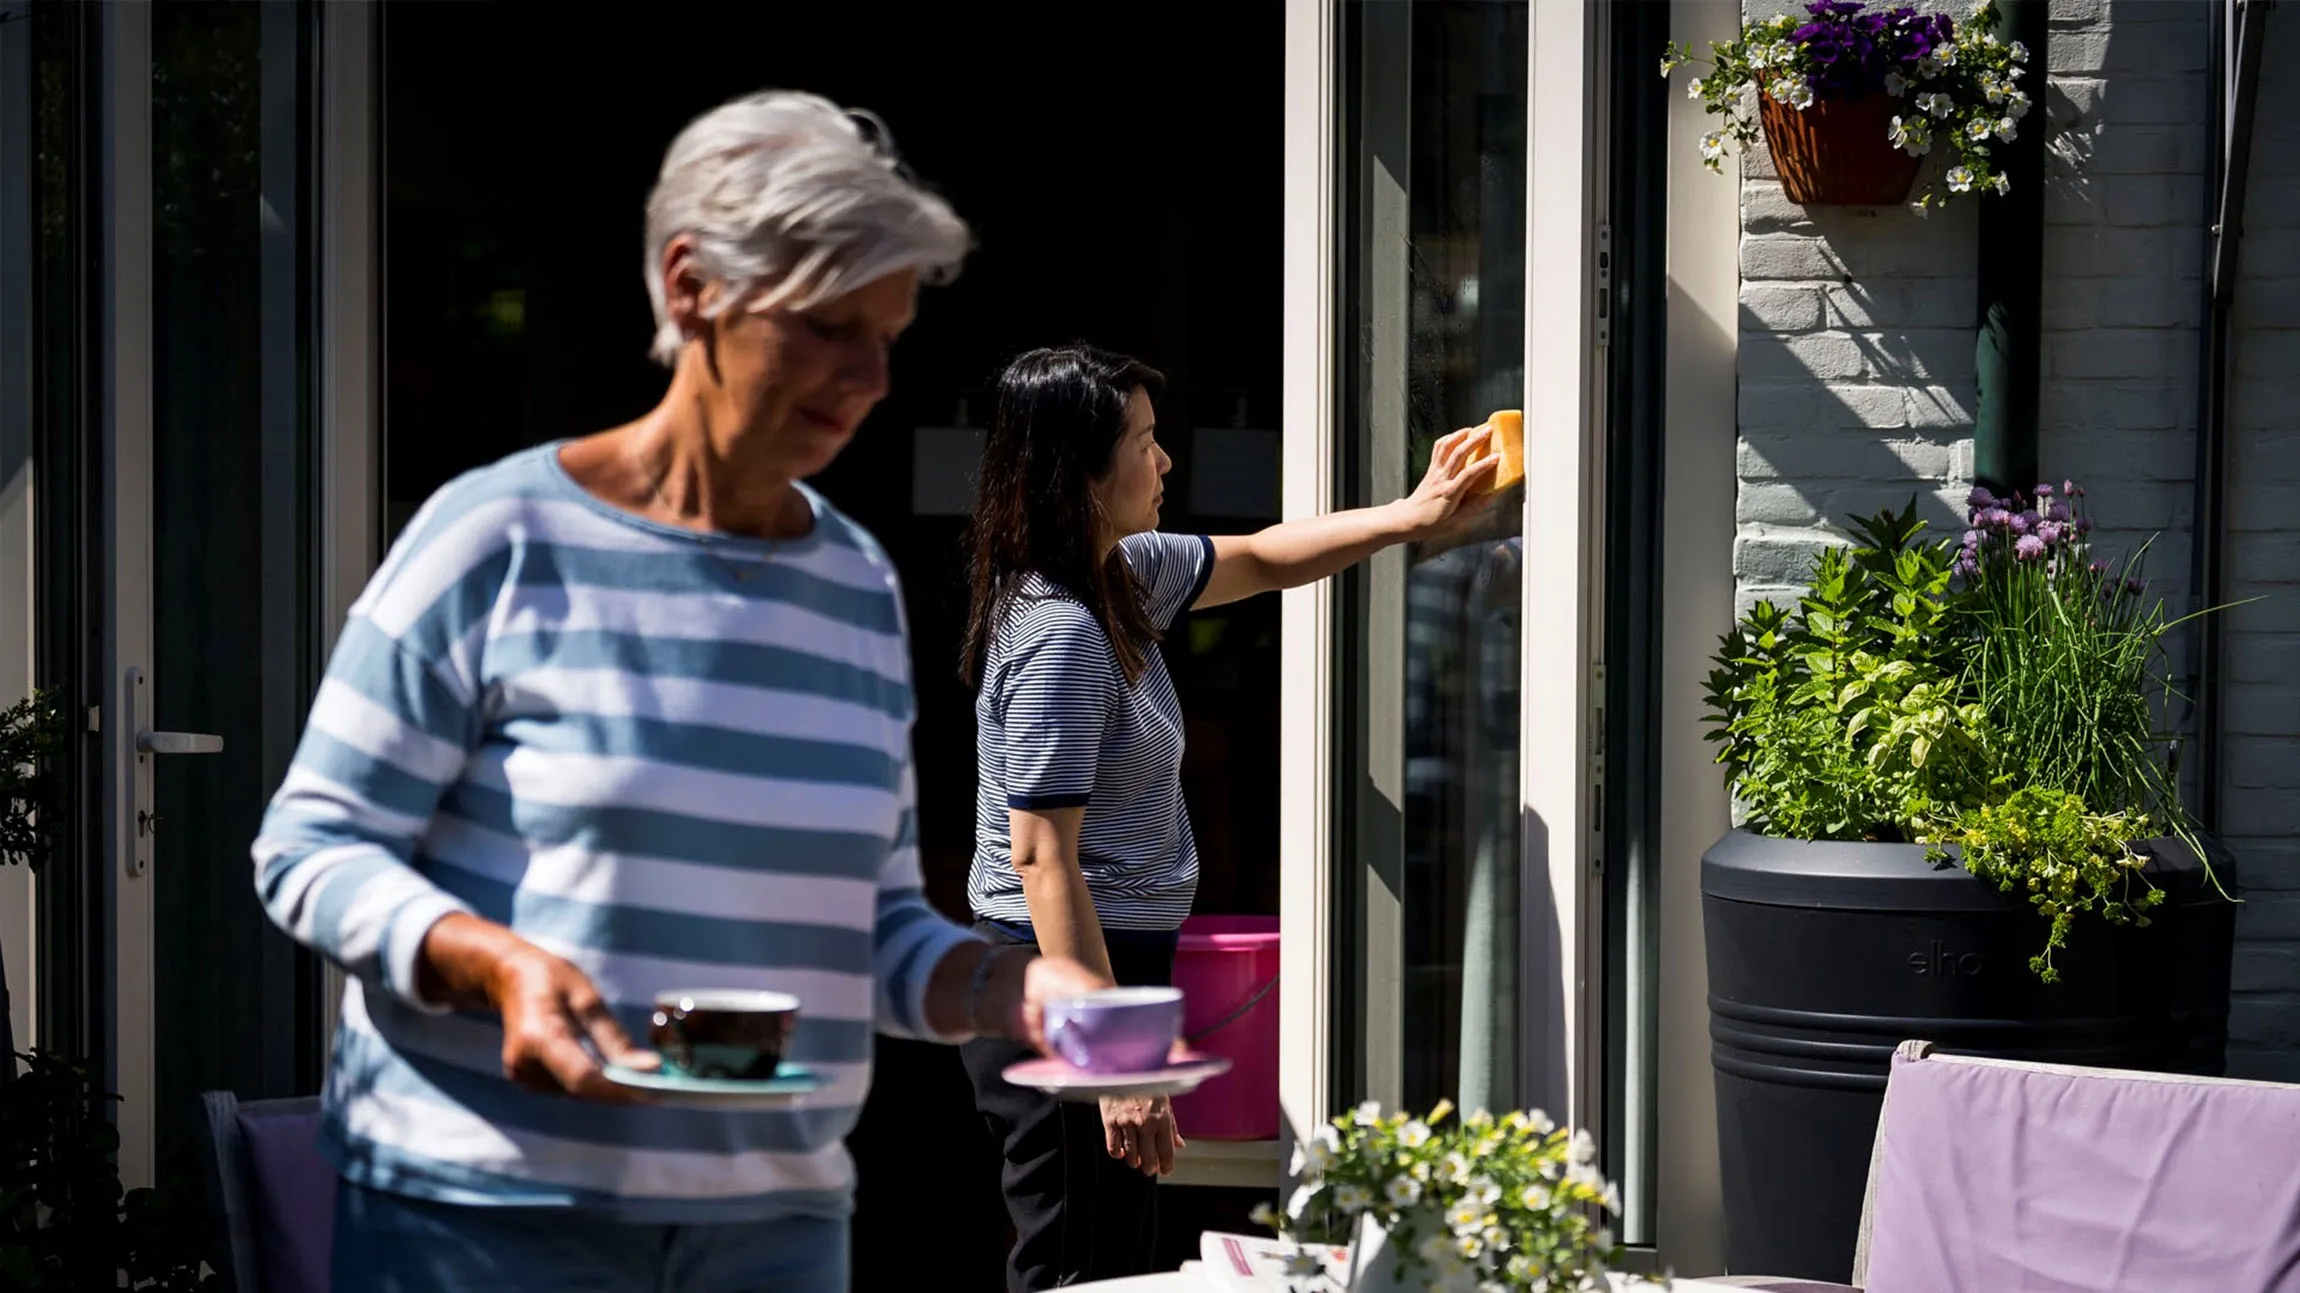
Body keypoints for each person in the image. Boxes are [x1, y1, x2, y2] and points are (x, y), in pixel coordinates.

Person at [249, 91, 1107, 1293]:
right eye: (824, 327)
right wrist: (490, 961)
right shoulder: (495, 537)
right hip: (490, 1211)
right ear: (692, 283)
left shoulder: (852, 583)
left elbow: (869, 932)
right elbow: (309, 848)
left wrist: (1016, 987)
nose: (867, 377)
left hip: (773, 1222)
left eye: (887, 335)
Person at [955, 345, 1501, 1290]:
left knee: (1111, 1257)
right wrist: (1114, 1063)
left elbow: (1259, 557)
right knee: (1073, 1265)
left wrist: (1413, 517)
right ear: (1080, 473)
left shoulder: (1119, 577)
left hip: (1103, 966)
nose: (1165, 461)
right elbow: (1043, 859)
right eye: (1143, 441)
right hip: (1057, 977)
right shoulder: (1062, 632)